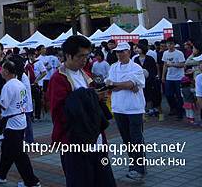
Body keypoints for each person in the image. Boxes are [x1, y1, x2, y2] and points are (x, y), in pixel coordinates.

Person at [48, 36, 116, 187]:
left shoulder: (85, 74)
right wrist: (92, 97)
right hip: (75, 143)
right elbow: (60, 112)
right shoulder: (58, 79)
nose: (85, 60)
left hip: (96, 141)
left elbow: (90, 102)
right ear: (68, 55)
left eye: (87, 56)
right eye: (81, 56)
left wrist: (99, 99)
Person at [0, 58, 40, 187]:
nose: (0, 71)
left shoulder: (9, 86)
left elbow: (3, 105)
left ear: (6, 71)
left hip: (12, 123)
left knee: (18, 154)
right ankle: (1, 173)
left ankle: (32, 182)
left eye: (2, 69)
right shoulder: (19, 83)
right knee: (7, 149)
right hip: (19, 121)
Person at [106, 42, 146, 181]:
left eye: (122, 51)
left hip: (134, 108)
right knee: (126, 139)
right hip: (118, 108)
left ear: (128, 52)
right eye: (117, 52)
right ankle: (133, 165)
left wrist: (120, 85)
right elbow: (110, 85)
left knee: (136, 139)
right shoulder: (113, 67)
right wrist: (127, 85)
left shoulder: (136, 68)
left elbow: (127, 84)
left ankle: (139, 168)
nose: (120, 54)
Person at [133, 41, 160, 118]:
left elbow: (153, 69)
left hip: (150, 80)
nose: (137, 50)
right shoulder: (136, 59)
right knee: (144, 94)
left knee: (151, 94)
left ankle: (152, 108)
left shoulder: (150, 58)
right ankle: (145, 109)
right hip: (141, 80)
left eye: (138, 48)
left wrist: (151, 76)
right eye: (136, 48)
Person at [162, 37, 186, 119]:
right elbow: (165, 65)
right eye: (168, 43)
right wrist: (163, 76)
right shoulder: (165, 53)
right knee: (168, 95)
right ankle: (174, 108)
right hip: (169, 77)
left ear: (174, 44)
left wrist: (172, 65)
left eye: (171, 43)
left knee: (179, 95)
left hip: (179, 77)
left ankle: (180, 112)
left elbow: (182, 64)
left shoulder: (179, 53)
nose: (169, 45)